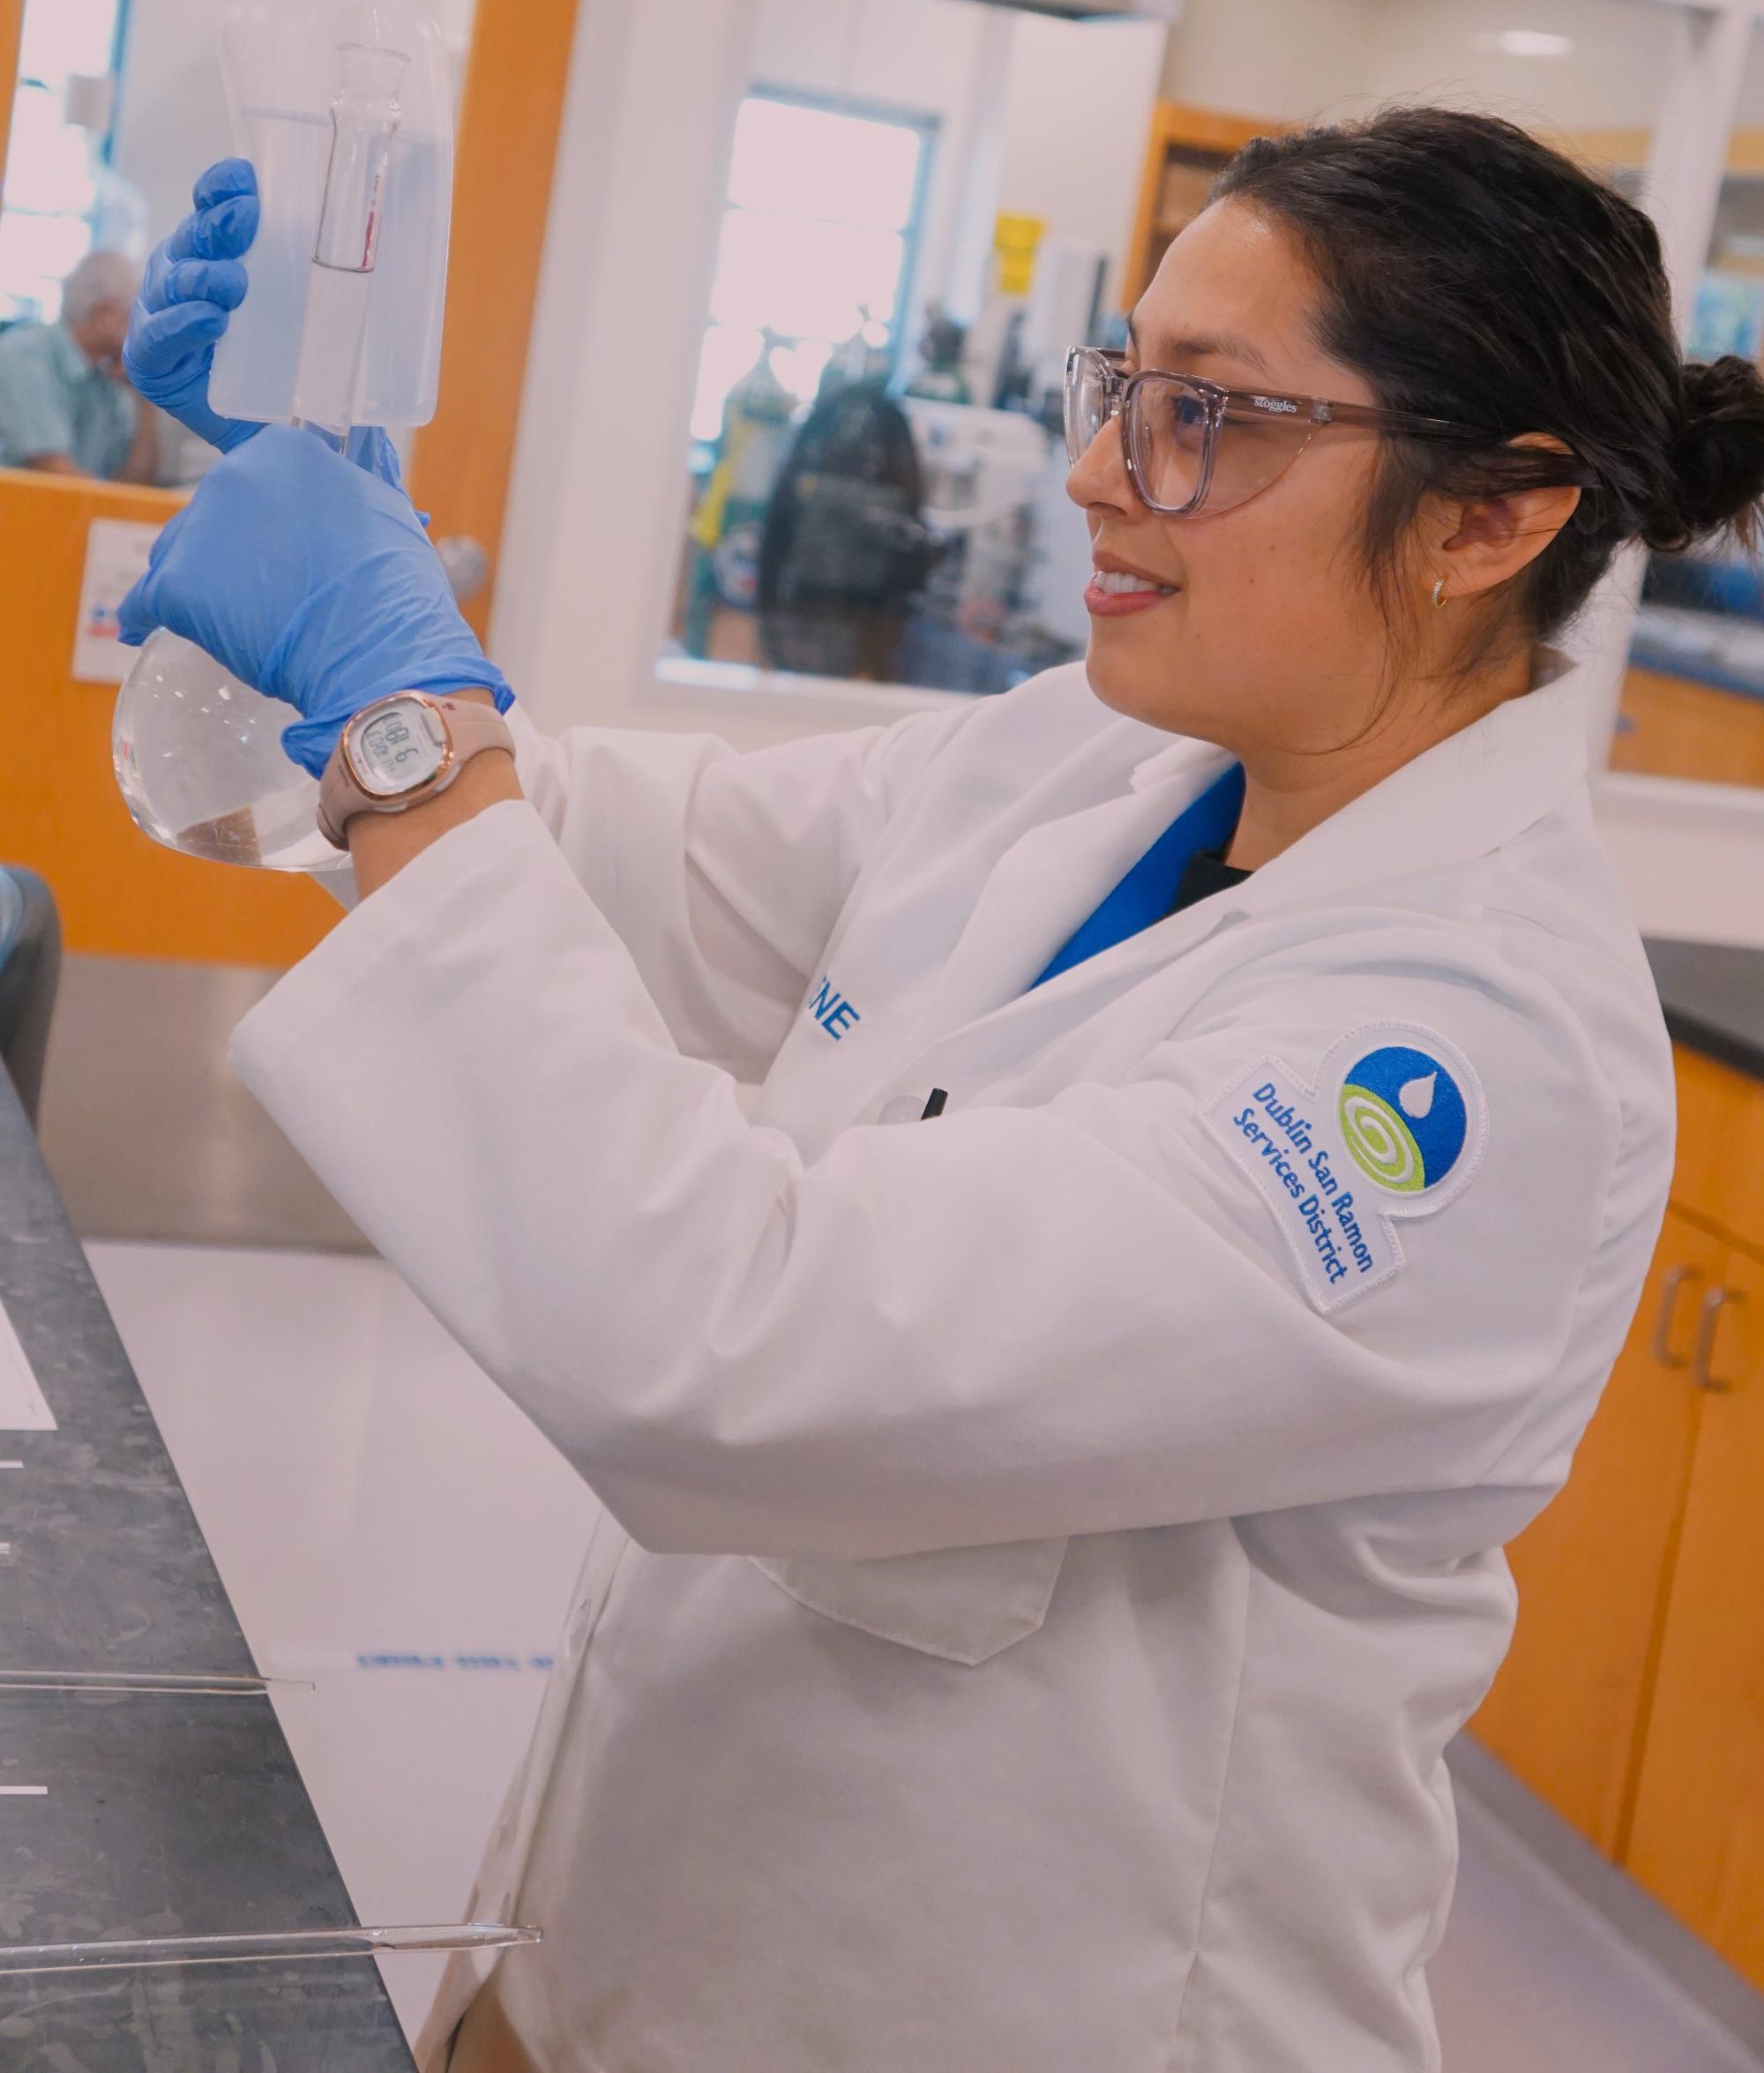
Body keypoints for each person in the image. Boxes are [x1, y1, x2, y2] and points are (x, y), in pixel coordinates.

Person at [118, 113, 1764, 2073]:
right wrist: (346, 569)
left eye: (1208, 418)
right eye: (1121, 385)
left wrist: (404, 716)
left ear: (1494, 515)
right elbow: (600, 849)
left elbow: (737, 1351)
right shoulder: (1097, 763)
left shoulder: (1467, 1056)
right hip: (636, 1956)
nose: (1094, 474)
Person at [0, 251, 156, 479]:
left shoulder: (108, 377)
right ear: (104, 313)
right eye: (140, 316)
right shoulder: (26, 354)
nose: (146, 330)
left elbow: (136, 480)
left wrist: (146, 397)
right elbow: (54, 473)